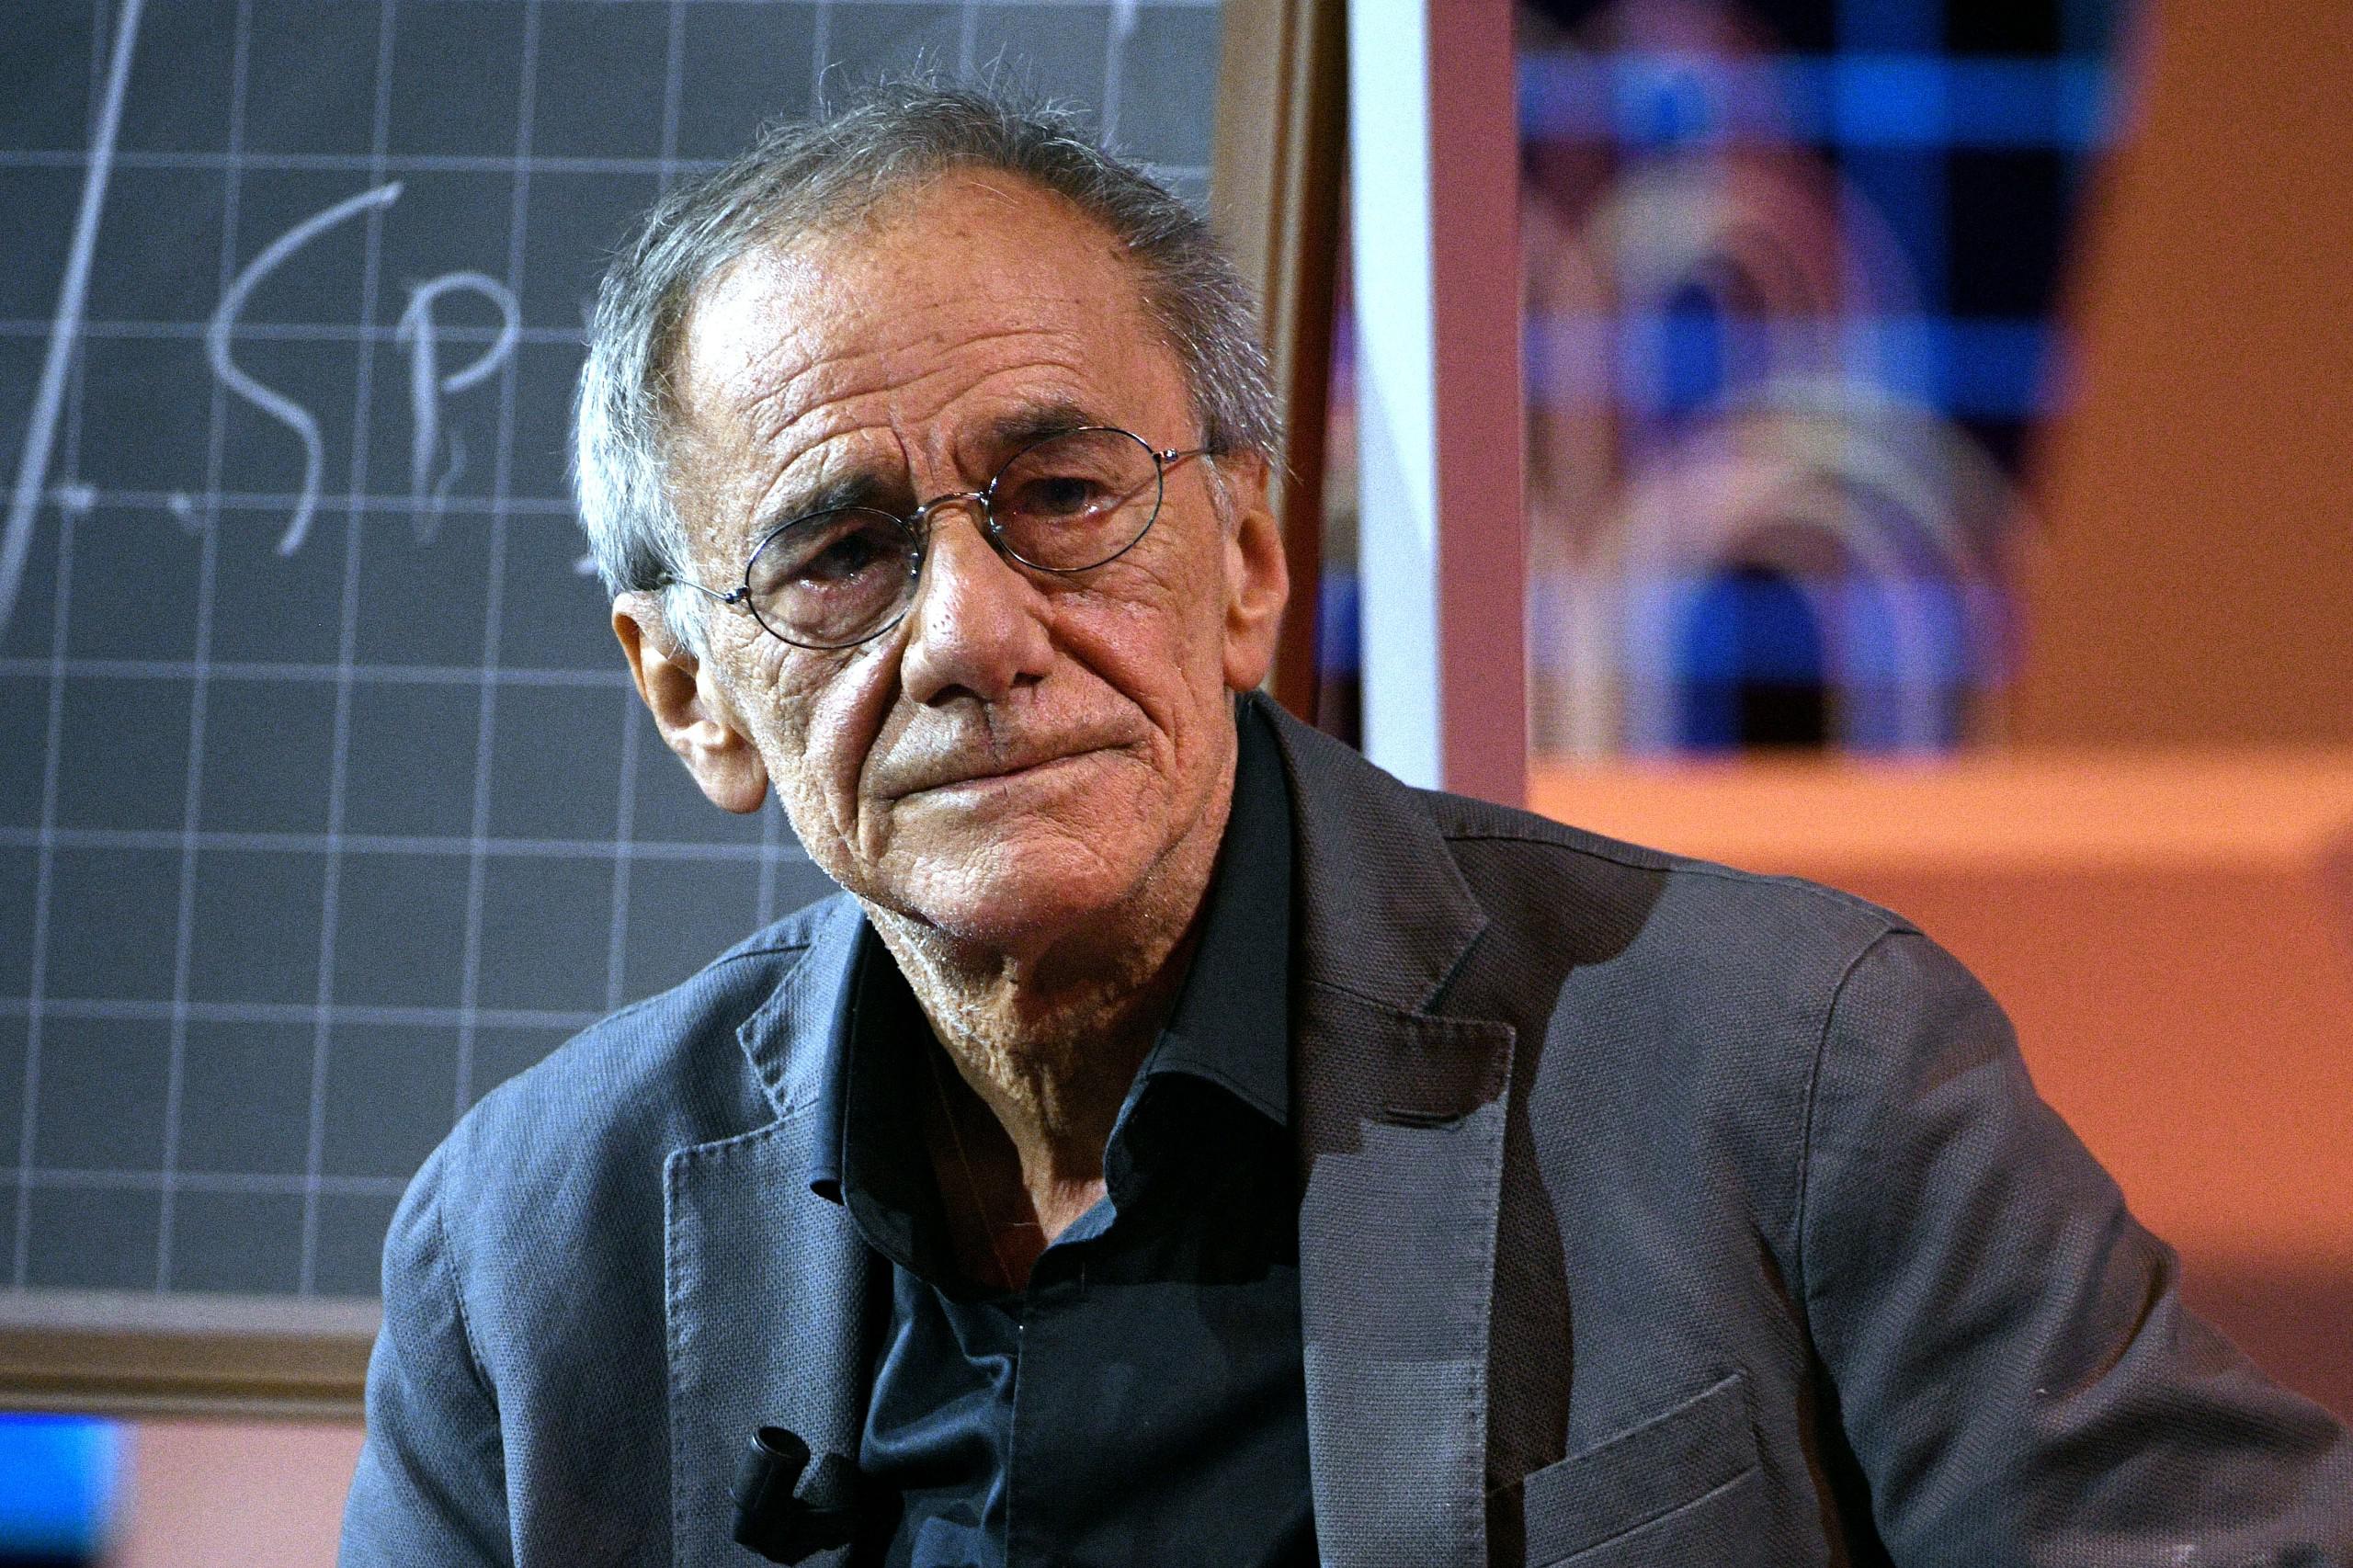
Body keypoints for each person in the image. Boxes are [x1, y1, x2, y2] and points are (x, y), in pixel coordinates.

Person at [339, 84, 2353, 1567]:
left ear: (1244, 556)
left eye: (1062, 497)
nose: (971, 634)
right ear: (689, 690)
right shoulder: (529, 1257)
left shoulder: (1797, 1070)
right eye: (842, 551)